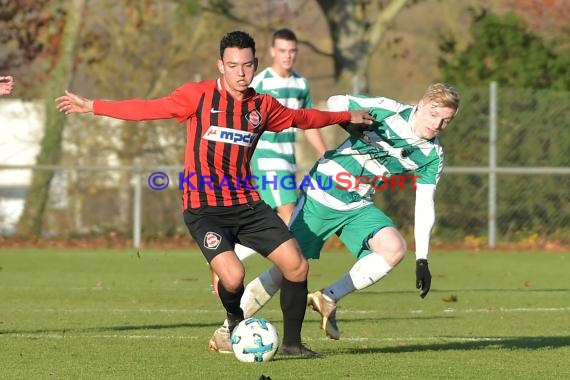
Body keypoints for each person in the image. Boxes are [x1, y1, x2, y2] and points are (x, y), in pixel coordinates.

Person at [55, 31, 373, 358]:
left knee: (296, 265)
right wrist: (92, 106)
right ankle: (235, 318)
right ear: (220, 65)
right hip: (203, 206)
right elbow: (149, 108)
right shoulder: (199, 96)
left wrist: (345, 117)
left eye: (247, 65)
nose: (240, 72)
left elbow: (302, 118)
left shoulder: (261, 106)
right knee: (234, 277)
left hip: (247, 204)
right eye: (233, 65)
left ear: (255, 66)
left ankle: (292, 344)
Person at [209, 83, 460, 345]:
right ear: (420, 104)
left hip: (358, 203)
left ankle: (328, 297)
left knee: (394, 249)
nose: (438, 124)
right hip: (323, 193)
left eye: (446, 120)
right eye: (434, 114)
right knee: (285, 270)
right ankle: (229, 329)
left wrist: (422, 258)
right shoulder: (388, 111)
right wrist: (349, 125)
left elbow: (425, 202)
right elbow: (336, 100)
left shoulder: (432, 154)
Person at [210, 28, 326, 293]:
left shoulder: (301, 84)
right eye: (282, 51)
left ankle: (228, 256)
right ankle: (291, 275)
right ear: (273, 52)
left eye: (292, 51)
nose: (288, 56)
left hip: (288, 161)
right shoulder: (260, 81)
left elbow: (307, 123)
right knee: (291, 220)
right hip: (266, 161)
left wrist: (324, 153)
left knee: (282, 224)